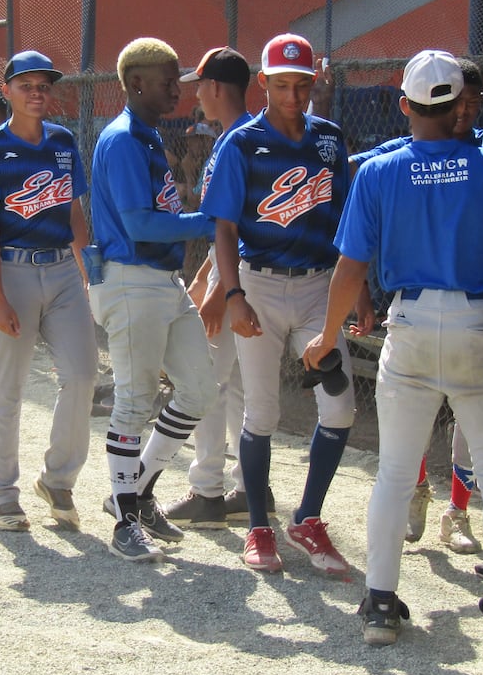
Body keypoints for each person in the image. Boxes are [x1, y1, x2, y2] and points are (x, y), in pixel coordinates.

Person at [302, 48, 483, 650]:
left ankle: (380, 604)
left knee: (392, 471)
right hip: (477, 323)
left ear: (406, 105)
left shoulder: (380, 173)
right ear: (463, 105)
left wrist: (327, 336)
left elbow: (349, 269)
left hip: (408, 323)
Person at [203, 33, 367, 575]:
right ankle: (257, 525)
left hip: (322, 286)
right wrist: (233, 296)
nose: (292, 96)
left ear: (314, 81)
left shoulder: (328, 138)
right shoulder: (242, 143)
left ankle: (308, 518)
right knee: (263, 411)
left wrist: (358, 289)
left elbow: (350, 226)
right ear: (263, 84)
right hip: (261, 285)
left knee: (340, 406)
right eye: (281, 85)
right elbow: (224, 228)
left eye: (301, 84)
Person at [352, 59, 483, 555]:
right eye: (463, 101)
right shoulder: (401, 156)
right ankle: (417, 488)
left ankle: (456, 511)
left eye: (476, 104)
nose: (468, 111)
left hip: (477, 303)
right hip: (422, 307)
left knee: (468, 423)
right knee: (409, 429)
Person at [0, 50, 97, 532]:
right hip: (12, 272)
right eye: (27, 85)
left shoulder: (62, 142)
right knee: (8, 387)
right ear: (10, 90)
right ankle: (1, 493)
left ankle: (58, 479)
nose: (37, 93)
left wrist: (91, 274)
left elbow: (74, 215)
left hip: (62, 271)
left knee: (81, 375)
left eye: (44, 86)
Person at [89, 36, 217, 562]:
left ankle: (135, 492)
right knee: (134, 400)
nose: (177, 91)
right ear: (136, 82)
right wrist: (212, 220)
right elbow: (140, 222)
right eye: (168, 81)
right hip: (129, 277)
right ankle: (124, 522)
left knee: (199, 389)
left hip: (162, 282)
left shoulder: (146, 137)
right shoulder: (121, 139)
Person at [163, 47, 257, 529]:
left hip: (239, 278)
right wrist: (206, 279)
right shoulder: (249, 134)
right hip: (242, 275)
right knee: (239, 387)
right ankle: (245, 489)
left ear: (217, 89)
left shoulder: (234, 141)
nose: (196, 94)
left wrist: (221, 292)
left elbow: (236, 229)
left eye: (200, 84)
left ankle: (206, 491)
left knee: (206, 384)